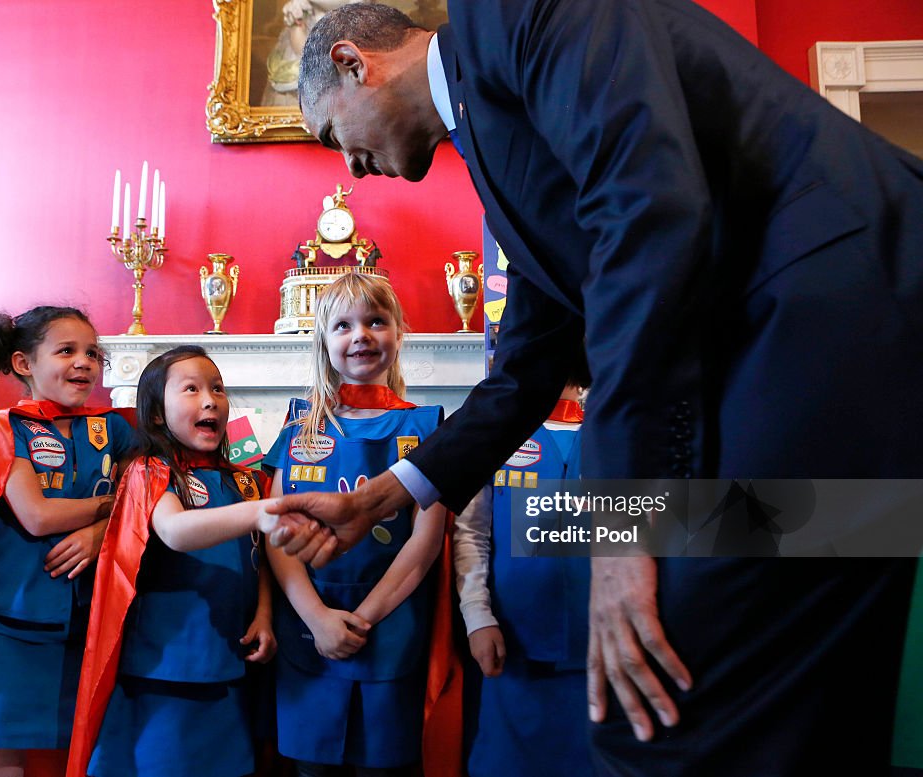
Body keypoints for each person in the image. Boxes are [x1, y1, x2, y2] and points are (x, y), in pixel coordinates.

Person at [266, 2, 923, 775]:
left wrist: (623, 524)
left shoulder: (513, 15)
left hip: (834, 312)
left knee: (669, 703)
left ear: (353, 63)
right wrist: (381, 496)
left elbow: (647, 213)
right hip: (821, 349)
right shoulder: (488, 140)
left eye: (330, 136)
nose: (348, 168)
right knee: (802, 703)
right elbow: (529, 365)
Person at [0, 306, 134, 777]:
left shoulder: (114, 429)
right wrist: (108, 508)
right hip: (10, 626)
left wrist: (100, 534)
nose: (84, 362)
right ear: (23, 364)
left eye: (92, 353)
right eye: (66, 350)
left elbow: (147, 502)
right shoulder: (4, 427)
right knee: (3, 748)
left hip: (85, 623)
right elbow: (37, 517)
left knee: (71, 747)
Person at [263, 273, 449, 776]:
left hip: (391, 629)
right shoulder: (301, 426)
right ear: (324, 342)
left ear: (398, 333)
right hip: (308, 626)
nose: (360, 335)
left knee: (384, 765)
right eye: (342, 325)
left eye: (375, 321)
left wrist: (364, 618)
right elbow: (275, 532)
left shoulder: (429, 427)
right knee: (309, 766)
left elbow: (426, 543)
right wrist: (318, 618)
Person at [66, 345, 280, 777]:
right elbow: (176, 532)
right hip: (166, 660)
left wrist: (264, 613)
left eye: (217, 389)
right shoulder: (150, 471)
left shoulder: (243, 480)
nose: (210, 400)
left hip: (227, 655)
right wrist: (262, 511)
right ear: (159, 414)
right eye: (191, 389)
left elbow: (260, 556)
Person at [454, 373, 591, 777]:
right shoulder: (496, 428)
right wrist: (477, 617)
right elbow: (472, 532)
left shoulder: (616, 424)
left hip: (602, 648)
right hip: (512, 647)